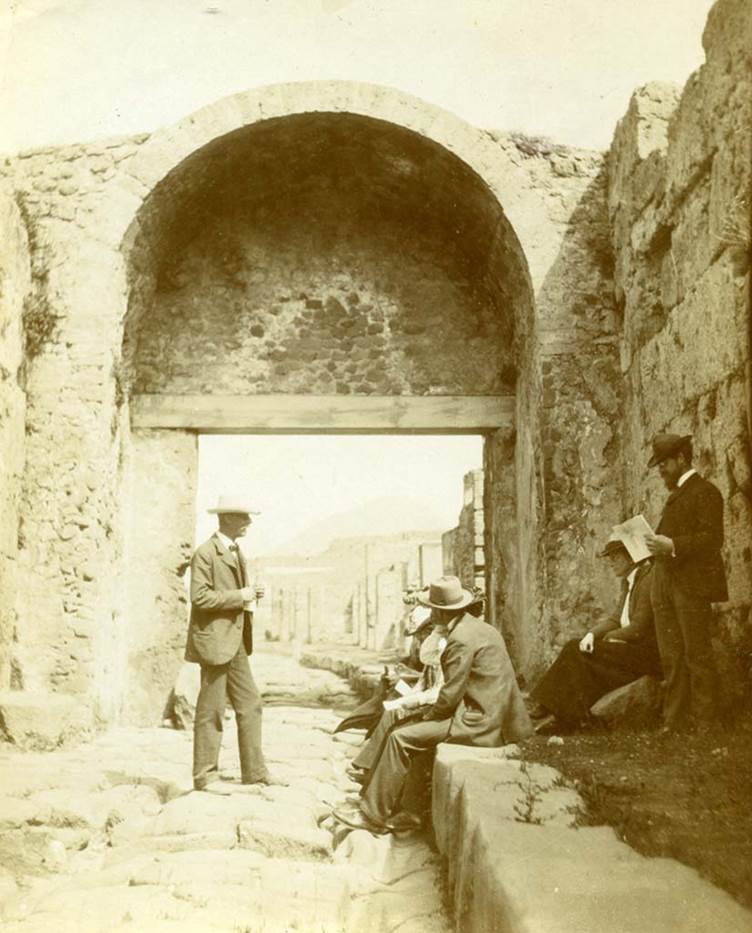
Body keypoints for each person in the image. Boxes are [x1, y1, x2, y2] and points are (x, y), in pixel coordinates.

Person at [333, 575, 532, 834]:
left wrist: (426, 715)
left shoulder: (460, 639)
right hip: (493, 713)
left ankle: (372, 815)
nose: (430, 613)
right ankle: (411, 813)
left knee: (400, 737)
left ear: (440, 612)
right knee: (409, 729)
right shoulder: (477, 628)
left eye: (431, 608)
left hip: (479, 721)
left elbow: (449, 696)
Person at [185, 495, 283, 793]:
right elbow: (200, 598)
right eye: (243, 517)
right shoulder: (205, 553)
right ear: (226, 518)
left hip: (234, 640)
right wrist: (242, 595)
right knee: (212, 710)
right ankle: (205, 776)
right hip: (215, 642)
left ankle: (255, 772)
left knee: (251, 704)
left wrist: (249, 596)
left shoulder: (235, 551)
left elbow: (233, 595)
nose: (248, 522)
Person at [529, 536, 661, 733]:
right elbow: (616, 618)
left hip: (644, 653)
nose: (611, 563)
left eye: (616, 558)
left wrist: (609, 638)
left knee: (574, 649)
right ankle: (563, 719)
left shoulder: (647, 580)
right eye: (610, 558)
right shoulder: (628, 582)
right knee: (581, 659)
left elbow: (640, 626)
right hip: (627, 647)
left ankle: (548, 706)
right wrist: (590, 634)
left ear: (632, 557)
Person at [644, 433, 728, 729]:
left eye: (664, 463)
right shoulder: (676, 495)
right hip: (666, 581)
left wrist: (673, 545)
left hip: (692, 584)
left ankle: (706, 722)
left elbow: (712, 539)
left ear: (681, 458)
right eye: (658, 465)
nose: (660, 470)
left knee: (696, 653)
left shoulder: (706, 491)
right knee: (671, 655)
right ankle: (675, 720)